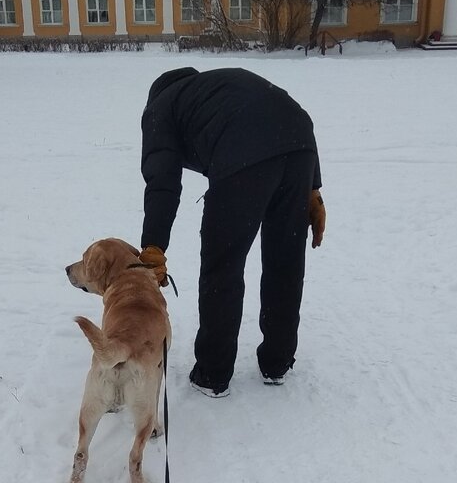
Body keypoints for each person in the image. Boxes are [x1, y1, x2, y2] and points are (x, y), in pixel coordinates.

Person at [135, 67, 326, 398]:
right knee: (286, 261)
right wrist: (311, 186)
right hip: (300, 142)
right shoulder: (214, 87)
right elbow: (286, 113)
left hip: (243, 151)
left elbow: (162, 182)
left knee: (222, 266)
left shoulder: (160, 108)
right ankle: (277, 362)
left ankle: (212, 372)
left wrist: (153, 245)